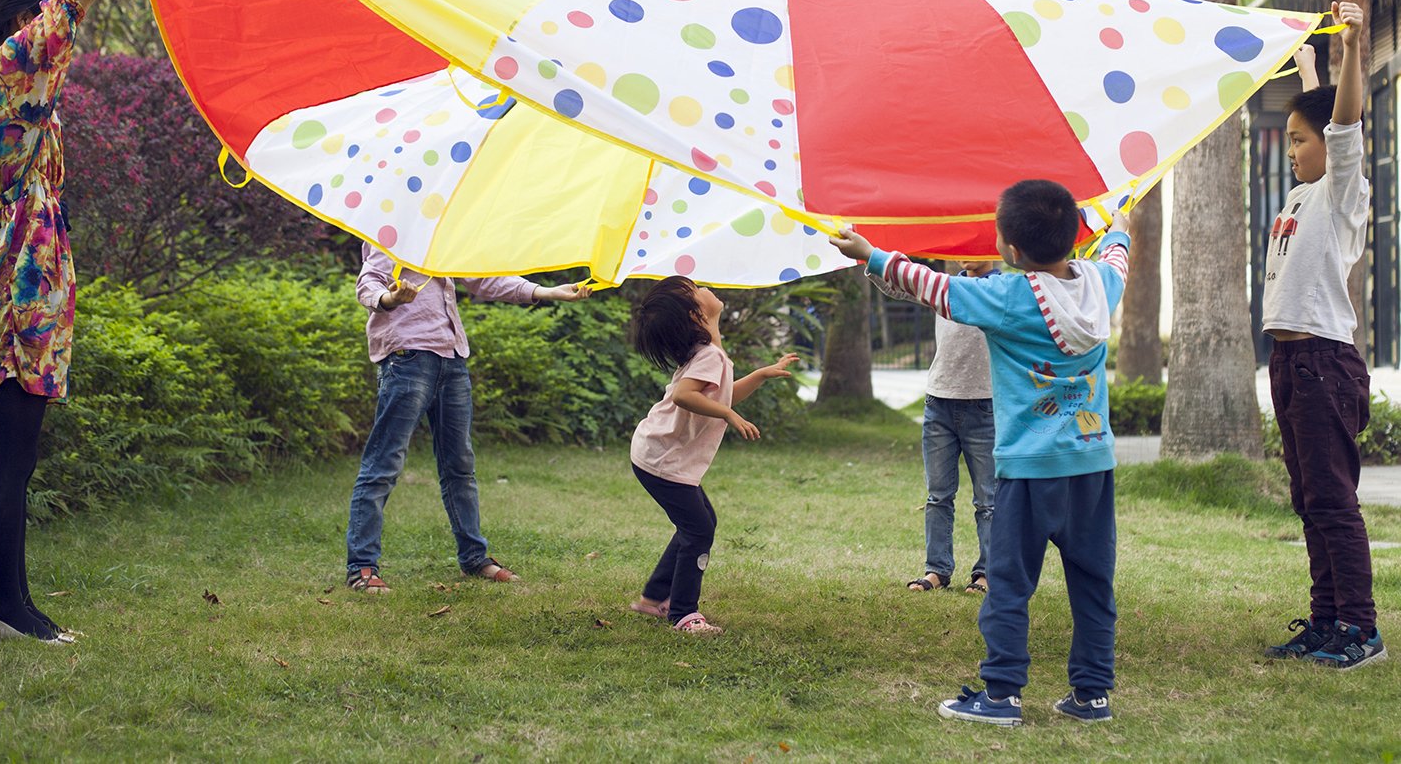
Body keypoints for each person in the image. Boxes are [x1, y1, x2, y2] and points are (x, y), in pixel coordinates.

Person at [0, 0, 195, 643]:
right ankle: (5, 609)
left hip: (13, 271)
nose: (69, 41)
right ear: (30, 20)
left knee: (16, 451)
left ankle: (14, 606)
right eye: (57, 25)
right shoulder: (10, 68)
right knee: (11, 452)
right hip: (16, 280)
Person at [833, 185, 1129, 727]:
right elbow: (1117, 256)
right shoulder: (1100, 285)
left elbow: (932, 286)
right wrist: (1120, 223)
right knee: (1093, 583)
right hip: (1092, 465)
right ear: (1072, 237)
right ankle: (1091, 695)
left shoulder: (1008, 296)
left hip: (1029, 471)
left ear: (1010, 250)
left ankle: (1001, 695)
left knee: (1009, 583)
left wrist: (869, 254)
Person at [345, 244, 590, 592]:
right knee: (384, 463)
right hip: (408, 358)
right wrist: (390, 299)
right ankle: (362, 567)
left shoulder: (444, 233)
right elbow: (369, 281)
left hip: (451, 359)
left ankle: (474, 558)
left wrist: (547, 291)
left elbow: (483, 278)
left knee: (459, 465)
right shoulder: (395, 231)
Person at [1261, 5, 1385, 670]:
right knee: (1309, 501)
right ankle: (1325, 621)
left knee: (1333, 501)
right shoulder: (1300, 194)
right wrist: (1308, 66)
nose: (1292, 149)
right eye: (1289, 139)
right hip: (1288, 362)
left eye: (1299, 140)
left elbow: (1342, 126)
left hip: (1322, 362)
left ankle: (1361, 630)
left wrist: (1354, 45)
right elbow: (1321, 111)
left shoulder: (1342, 191)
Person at [627, 275, 798, 635]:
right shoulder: (708, 355)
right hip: (663, 461)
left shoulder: (709, 353)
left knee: (700, 523)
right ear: (696, 315)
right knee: (699, 529)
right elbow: (684, 396)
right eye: (695, 290)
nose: (704, 288)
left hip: (658, 455)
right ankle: (683, 613)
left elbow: (721, 394)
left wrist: (761, 375)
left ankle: (654, 597)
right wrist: (729, 415)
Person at [908, 259, 1000, 598]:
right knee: (938, 496)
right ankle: (937, 570)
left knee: (989, 500)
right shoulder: (943, 287)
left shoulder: (1002, 289)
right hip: (939, 405)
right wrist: (868, 256)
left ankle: (988, 573)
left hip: (985, 407)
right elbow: (898, 282)